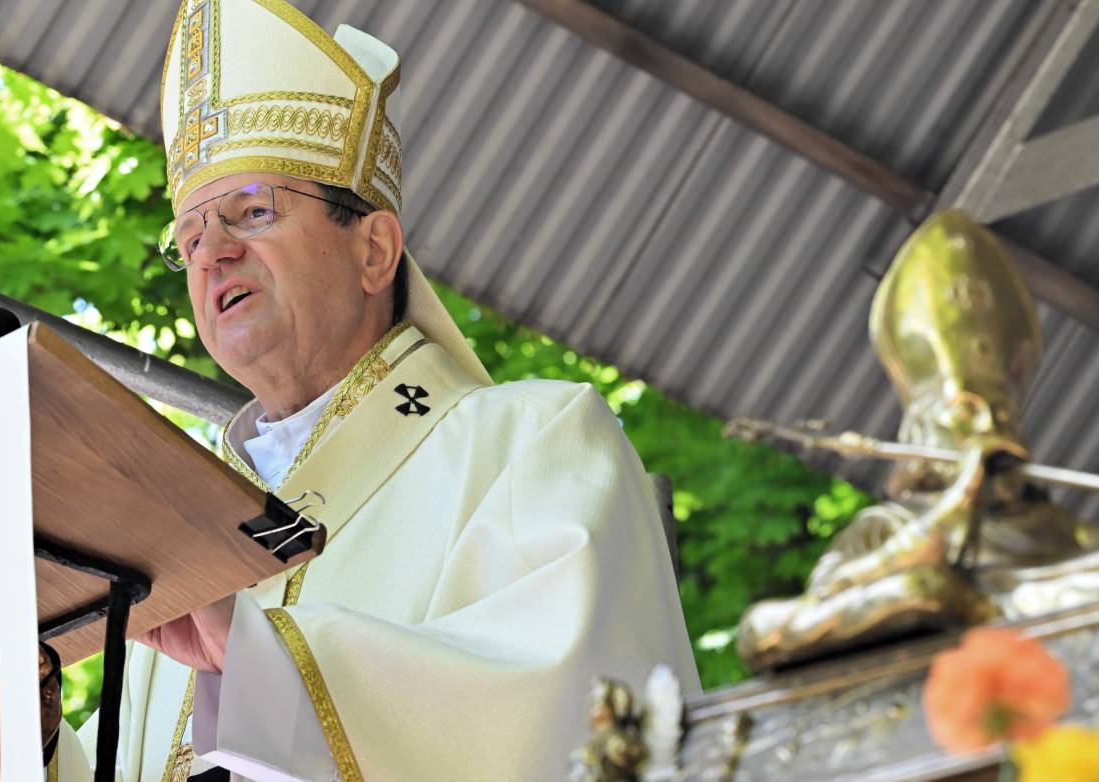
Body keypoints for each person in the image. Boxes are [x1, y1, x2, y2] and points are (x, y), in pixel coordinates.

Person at [47, 0, 699, 779]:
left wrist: (261, 659)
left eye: (251, 211)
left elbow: (573, 708)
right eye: (187, 239)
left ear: (374, 250)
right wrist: (41, 734)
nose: (211, 254)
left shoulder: (534, 441)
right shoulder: (182, 547)